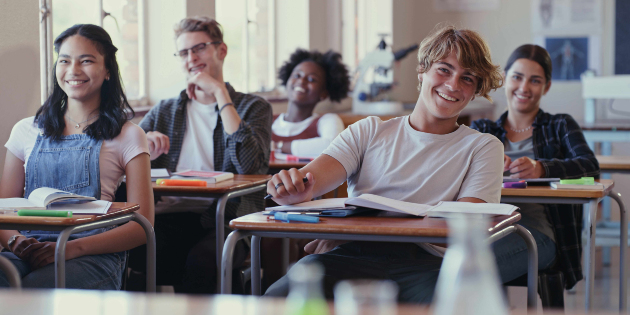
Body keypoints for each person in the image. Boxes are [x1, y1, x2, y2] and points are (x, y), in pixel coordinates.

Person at [264, 25, 513, 303]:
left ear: (476, 89)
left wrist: (352, 231)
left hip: (429, 267)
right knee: (278, 298)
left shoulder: (484, 147)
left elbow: (460, 230)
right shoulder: (367, 131)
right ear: (423, 70)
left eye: (467, 78)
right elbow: (310, 182)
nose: (453, 85)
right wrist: (290, 188)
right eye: (444, 69)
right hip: (352, 256)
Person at [0, 24, 154, 289]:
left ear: (107, 70)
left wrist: (71, 249)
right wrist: (16, 241)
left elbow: (143, 225)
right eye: (65, 60)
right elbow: (3, 209)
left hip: (92, 254)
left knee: (37, 290)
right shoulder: (26, 130)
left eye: (86, 61)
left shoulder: (129, 135)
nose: (73, 70)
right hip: (25, 249)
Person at [134, 16, 272, 293]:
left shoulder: (253, 107)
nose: (191, 58)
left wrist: (221, 93)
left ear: (220, 51)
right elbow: (122, 153)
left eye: (199, 48)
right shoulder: (166, 110)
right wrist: (142, 141)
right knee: (130, 251)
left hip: (226, 217)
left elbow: (251, 165)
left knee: (204, 261)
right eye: (184, 52)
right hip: (169, 217)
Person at [471, 44, 600, 290]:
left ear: (546, 86)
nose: (524, 88)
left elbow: (590, 167)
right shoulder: (484, 130)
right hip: (488, 229)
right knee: (456, 261)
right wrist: (488, 166)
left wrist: (543, 169)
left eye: (535, 80)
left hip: (539, 234)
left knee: (467, 269)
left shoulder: (560, 125)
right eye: (517, 77)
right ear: (505, 78)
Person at [272, 49, 349, 158]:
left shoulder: (327, 121)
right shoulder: (266, 120)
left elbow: (334, 147)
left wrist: (278, 146)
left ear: (324, 93)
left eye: (311, 79)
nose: (302, 81)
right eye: (297, 75)